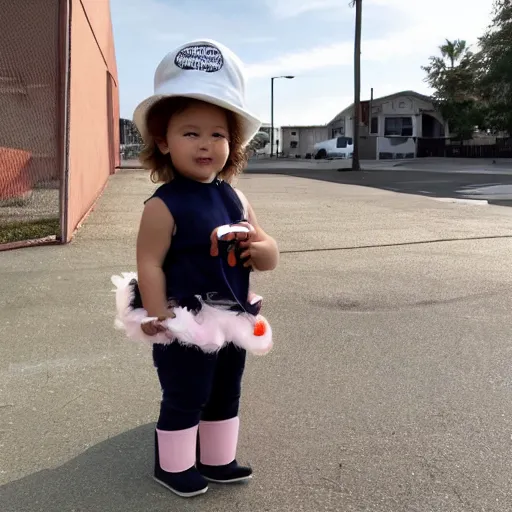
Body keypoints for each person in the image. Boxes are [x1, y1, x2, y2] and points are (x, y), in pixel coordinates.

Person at [131, 39, 279, 498]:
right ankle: (172, 464)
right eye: (190, 133)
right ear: (163, 140)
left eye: (217, 134)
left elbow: (265, 247)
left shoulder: (235, 196)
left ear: (231, 143)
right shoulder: (163, 205)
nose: (206, 144)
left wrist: (265, 249)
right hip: (184, 317)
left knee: (225, 389)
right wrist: (158, 313)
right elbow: (149, 262)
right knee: (185, 392)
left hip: (232, 314)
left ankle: (218, 458)